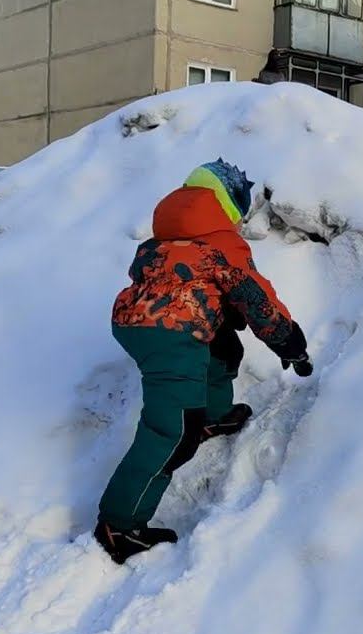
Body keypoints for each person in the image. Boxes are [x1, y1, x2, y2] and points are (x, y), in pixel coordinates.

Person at [95, 158, 313, 564]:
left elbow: (183, 284)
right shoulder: (221, 244)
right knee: (172, 432)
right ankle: (118, 525)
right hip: (171, 336)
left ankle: (215, 412)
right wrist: (291, 345)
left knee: (223, 346)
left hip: (139, 323)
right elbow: (257, 301)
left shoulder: (162, 239)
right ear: (229, 206)